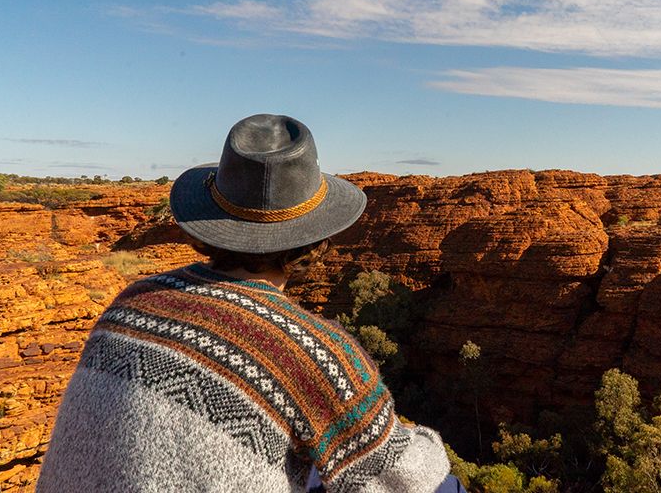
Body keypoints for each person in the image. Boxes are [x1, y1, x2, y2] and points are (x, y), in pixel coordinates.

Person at [37, 114, 457, 492]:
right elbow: (413, 482)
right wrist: (423, 440)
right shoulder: (314, 356)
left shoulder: (132, 302)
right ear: (317, 235)